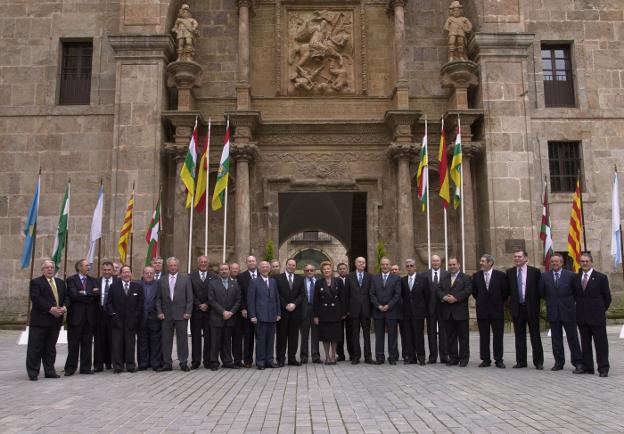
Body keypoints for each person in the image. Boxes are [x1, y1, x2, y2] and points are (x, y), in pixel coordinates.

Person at [539, 253, 584, 373]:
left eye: (557, 261)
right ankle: (559, 362)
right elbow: (542, 293)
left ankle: (578, 362)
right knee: (556, 338)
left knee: (572, 337)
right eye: (552, 261)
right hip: (553, 311)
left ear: (562, 263)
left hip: (568, 311)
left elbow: (576, 292)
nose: (554, 263)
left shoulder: (571, 276)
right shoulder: (545, 276)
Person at [26, 259, 69, 381]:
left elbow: (66, 297)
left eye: (52, 267)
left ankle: (49, 371)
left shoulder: (60, 283)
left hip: (55, 321)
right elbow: (36, 299)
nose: (50, 269)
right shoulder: (36, 282)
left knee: (50, 348)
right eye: (47, 267)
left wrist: (64, 307)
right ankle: (33, 372)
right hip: (40, 321)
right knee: (36, 348)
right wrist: (50, 309)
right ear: (42, 270)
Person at [574, 253, 612, 377]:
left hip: (597, 317)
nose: (584, 263)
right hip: (582, 316)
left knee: (600, 343)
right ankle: (587, 367)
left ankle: (603, 368)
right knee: (585, 343)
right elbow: (576, 296)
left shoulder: (601, 277)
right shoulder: (576, 278)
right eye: (582, 261)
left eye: (587, 261)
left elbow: (607, 297)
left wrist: (599, 309)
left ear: (591, 262)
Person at [506, 249, 543, 369]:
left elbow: (540, 291)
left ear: (526, 258)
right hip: (518, 308)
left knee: (535, 335)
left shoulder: (535, 272)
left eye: (519, 257)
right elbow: (508, 291)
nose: (517, 259)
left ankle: (538, 362)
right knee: (519, 336)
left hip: (531, 308)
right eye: (515, 257)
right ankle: (521, 361)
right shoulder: (510, 272)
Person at [472, 254, 509, 368]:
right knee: (484, 336)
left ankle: (498, 359)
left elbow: (505, 292)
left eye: (483, 261)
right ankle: (485, 359)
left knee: (498, 335)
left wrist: (497, 302)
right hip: (482, 310)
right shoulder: (476, 276)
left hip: (496, 310)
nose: (481, 263)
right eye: (481, 261)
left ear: (490, 263)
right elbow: (475, 292)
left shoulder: (501, 276)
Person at [157, 257, 193, 371]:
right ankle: (167, 363)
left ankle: (183, 362)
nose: (173, 267)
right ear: (167, 267)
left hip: (181, 315)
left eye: (174, 265)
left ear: (178, 266)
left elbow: (190, 298)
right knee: (166, 340)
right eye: (170, 265)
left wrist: (188, 312)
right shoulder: (162, 280)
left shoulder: (185, 279)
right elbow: (158, 299)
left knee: (182, 340)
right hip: (166, 315)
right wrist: (159, 312)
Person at [64, 259, 99, 376]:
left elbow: (97, 294)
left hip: (89, 317)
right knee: (73, 344)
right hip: (76, 317)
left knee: (87, 343)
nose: (88, 267)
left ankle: (86, 367)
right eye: (86, 265)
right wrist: (90, 293)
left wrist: (84, 292)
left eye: (88, 266)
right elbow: (74, 295)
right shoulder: (71, 280)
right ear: (79, 267)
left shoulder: (93, 280)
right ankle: (70, 368)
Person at [107, 265, 144, 373]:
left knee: (130, 344)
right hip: (117, 321)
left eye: (128, 272)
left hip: (131, 322)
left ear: (131, 274)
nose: (126, 274)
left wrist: (135, 317)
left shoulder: (137, 287)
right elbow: (109, 303)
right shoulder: (114, 286)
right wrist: (113, 315)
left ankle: (130, 365)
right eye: (124, 272)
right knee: (116, 345)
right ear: (120, 274)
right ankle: (118, 366)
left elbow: (140, 305)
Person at [247, 261, 281, 370]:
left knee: (271, 340)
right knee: (261, 340)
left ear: (270, 269)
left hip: (272, 316)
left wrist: (278, 313)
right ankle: (260, 362)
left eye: (267, 267)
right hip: (260, 316)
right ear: (259, 268)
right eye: (263, 267)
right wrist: (252, 315)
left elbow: (277, 299)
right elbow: (250, 300)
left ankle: (269, 360)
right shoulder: (254, 282)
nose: (265, 269)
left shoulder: (273, 281)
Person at [438, 257, 471, 367]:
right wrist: (444, 297)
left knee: (463, 337)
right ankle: (453, 358)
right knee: (450, 337)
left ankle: (464, 358)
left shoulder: (466, 278)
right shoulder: (444, 278)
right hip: (447, 313)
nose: (452, 267)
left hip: (460, 313)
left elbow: (467, 291)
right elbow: (438, 290)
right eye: (450, 265)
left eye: (454, 264)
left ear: (459, 265)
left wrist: (456, 298)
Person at [207, 263, 242, 370]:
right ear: (219, 271)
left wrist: (231, 312)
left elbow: (238, 300)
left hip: (230, 318)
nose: (224, 271)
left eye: (226, 269)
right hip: (217, 317)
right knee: (215, 341)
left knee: (227, 341)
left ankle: (227, 361)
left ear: (229, 271)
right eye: (222, 269)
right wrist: (223, 312)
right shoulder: (213, 284)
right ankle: (214, 362)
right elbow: (211, 300)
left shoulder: (235, 284)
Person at [370, 257, 402, 365]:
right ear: (380, 265)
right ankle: (379, 357)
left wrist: (388, 305)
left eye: (387, 264)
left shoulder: (396, 278)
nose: (385, 266)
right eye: (383, 264)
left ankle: (392, 357)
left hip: (391, 311)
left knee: (392, 336)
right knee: (379, 336)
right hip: (378, 311)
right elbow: (372, 294)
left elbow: (397, 294)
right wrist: (378, 305)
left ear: (390, 265)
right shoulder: (375, 278)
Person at [313, 261, 346, 364]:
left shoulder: (338, 281)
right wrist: (316, 315)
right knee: (326, 336)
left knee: (335, 336)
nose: (327, 270)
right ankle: (327, 357)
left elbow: (342, 298)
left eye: (328, 268)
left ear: (332, 270)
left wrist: (343, 312)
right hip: (323, 313)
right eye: (325, 269)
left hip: (335, 313)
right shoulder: (318, 282)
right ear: (322, 271)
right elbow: (316, 300)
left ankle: (333, 356)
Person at [275, 258, 305, 366]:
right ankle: (280, 359)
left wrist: (294, 304)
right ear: (286, 265)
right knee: (281, 337)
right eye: (289, 264)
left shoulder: (300, 279)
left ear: (295, 267)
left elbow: (302, 294)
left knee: (294, 337)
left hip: (295, 312)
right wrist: (286, 305)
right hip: (283, 312)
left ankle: (292, 358)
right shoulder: (278, 278)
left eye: (293, 265)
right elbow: (277, 294)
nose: (291, 266)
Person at [190, 255, 217, 369]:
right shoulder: (191, 276)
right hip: (196, 311)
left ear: (208, 263)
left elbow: (214, 294)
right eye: (201, 262)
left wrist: (207, 304)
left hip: (209, 311)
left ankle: (207, 361)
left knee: (209, 337)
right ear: (198, 263)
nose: (203, 263)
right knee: (195, 338)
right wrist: (199, 304)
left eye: (205, 262)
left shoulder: (214, 276)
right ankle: (195, 361)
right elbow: (190, 293)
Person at [401, 258, 430, 365]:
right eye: (407, 266)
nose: (409, 268)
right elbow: (402, 296)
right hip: (407, 313)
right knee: (408, 336)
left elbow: (427, 296)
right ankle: (411, 357)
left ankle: (421, 357)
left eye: (411, 265)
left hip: (418, 313)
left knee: (419, 336)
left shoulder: (423, 279)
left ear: (415, 267)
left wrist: (424, 311)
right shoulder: (403, 280)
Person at [345, 256, 374, 364]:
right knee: (355, 334)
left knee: (367, 335)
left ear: (365, 264)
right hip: (354, 310)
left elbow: (372, 294)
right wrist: (347, 310)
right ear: (355, 264)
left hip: (366, 310)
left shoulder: (370, 277)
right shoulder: (349, 277)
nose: (361, 264)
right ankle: (356, 356)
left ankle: (368, 357)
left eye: (363, 262)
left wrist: (372, 310)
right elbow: (346, 295)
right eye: (359, 262)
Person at [136, 266, 163, 371]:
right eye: (146, 273)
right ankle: (143, 363)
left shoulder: (158, 285)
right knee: (142, 342)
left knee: (155, 342)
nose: (149, 275)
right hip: (141, 318)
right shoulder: (137, 285)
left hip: (155, 318)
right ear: (143, 274)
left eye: (151, 273)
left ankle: (155, 363)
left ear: (154, 274)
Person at [425, 255, 450, 364]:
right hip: (430, 308)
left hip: (443, 306)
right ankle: (432, 356)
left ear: (441, 262)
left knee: (444, 333)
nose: (435, 262)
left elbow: (449, 288)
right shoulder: (425, 274)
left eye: (437, 261)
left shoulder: (446, 274)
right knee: (431, 333)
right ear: (431, 262)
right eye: (433, 261)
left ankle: (444, 356)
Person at [94, 261, 116, 372]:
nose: (107, 272)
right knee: (99, 340)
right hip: (99, 313)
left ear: (113, 270)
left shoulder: (118, 281)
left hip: (113, 314)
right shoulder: (95, 282)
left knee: (112, 339)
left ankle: (110, 362)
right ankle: (98, 364)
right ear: (102, 270)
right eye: (105, 270)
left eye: (109, 270)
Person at [237, 256, 258, 368]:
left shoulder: (262, 275)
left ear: (256, 262)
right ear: (247, 263)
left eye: (253, 261)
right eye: (249, 261)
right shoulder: (241, 277)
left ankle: (260, 358)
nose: (251, 263)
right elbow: (240, 295)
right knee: (248, 337)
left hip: (260, 311)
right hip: (247, 312)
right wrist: (243, 308)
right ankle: (247, 360)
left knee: (260, 337)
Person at [300, 264, 321, 363]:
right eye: (307, 270)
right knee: (304, 335)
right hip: (304, 310)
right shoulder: (301, 282)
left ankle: (315, 356)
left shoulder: (319, 282)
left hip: (316, 310)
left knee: (316, 334)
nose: (309, 272)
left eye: (311, 270)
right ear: (304, 272)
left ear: (315, 271)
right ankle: (304, 357)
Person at [336, 262, 353, 362]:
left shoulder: (351, 280)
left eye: (344, 268)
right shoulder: (335, 281)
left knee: (350, 334)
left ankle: (352, 354)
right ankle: (340, 354)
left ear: (347, 269)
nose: (342, 270)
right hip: (339, 313)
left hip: (350, 312)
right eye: (340, 269)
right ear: (338, 271)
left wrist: (349, 311)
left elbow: (353, 297)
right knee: (339, 335)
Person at [229, 262, 244, 367]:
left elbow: (243, 296)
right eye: (233, 268)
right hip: (226, 314)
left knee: (238, 339)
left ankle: (238, 360)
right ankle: (227, 359)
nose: (235, 270)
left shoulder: (242, 280)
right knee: (226, 339)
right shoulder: (224, 280)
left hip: (239, 314)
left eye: (236, 269)